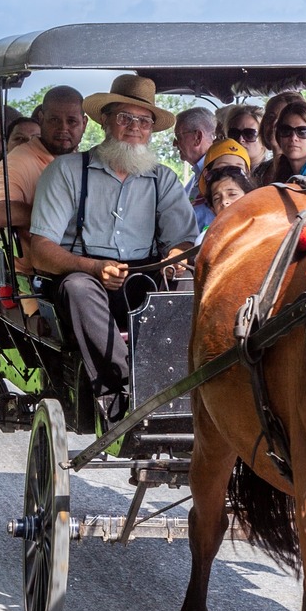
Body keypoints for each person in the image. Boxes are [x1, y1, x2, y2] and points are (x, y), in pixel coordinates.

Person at [28, 75, 197, 421]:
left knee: (190, 283)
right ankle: (121, 390)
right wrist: (92, 267)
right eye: (125, 117)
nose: (134, 127)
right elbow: (40, 249)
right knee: (78, 288)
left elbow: (182, 240)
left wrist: (174, 259)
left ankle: (177, 381)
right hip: (84, 274)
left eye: (144, 121)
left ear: (151, 130)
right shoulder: (67, 172)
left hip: (143, 276)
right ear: (105, 121)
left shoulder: (163, 179)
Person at [0, 87, 88, 278]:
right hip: (40, 275)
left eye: (72, 121)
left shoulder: (82, 163)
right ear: (41, 119)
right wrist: (57, 219)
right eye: (54, 120)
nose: (63, 128)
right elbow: (0, 212)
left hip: (79, 262)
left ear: (84, 123)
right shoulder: (19, 160)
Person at [173, 106, 216, 227]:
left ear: (197, 137)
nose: (174, 143)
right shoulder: (195, 179)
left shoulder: (219, 176)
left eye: (178, 136)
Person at [267, 97, 306, 184]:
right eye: (286, 130)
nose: (293, 137)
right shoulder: (282, 170)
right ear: (279, 138)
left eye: (303, 132)